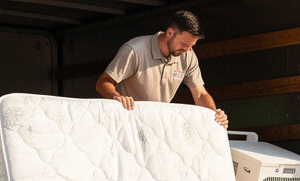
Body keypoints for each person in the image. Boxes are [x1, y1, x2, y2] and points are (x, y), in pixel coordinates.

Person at [96, 10, 229, 129]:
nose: (187, 50)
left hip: (156, 126)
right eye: (184, 44)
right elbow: (103, 82)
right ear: (170, 33)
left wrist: (214, 114)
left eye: (191, 45)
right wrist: (117, 97)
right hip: (126, 122)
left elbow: (200, 94)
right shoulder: (135, 50)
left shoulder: (187, 54)